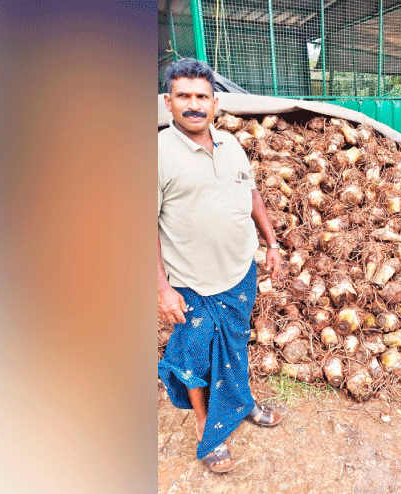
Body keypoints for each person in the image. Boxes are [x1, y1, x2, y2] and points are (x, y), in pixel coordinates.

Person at [157, 58, 283, 474]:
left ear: (215, 103)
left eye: (202, 96)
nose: (194, 104)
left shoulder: (231, 144)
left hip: (239, 272)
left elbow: (252, 195)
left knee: (235, 344)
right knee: (194, 357)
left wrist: (272, 243)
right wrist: (162, 288)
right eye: (184, 96)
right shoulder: (157, 153)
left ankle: (241, 402)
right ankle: (206, 428)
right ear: (168, 102)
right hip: (191, 282)